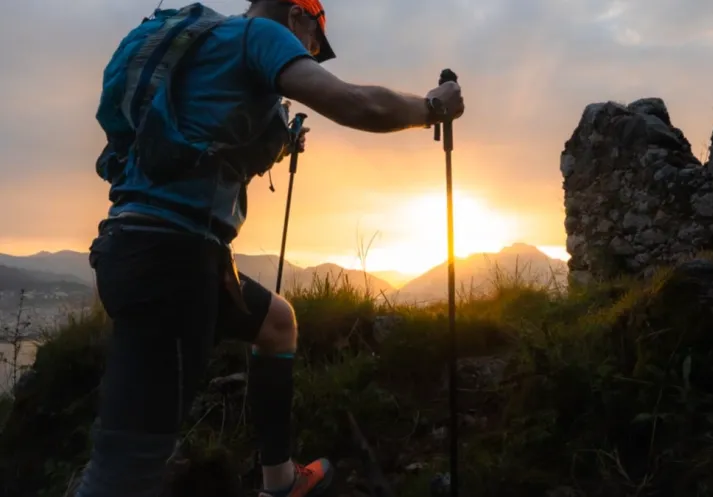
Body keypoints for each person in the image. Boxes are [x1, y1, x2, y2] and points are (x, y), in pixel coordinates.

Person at [75, 0, 464, 496]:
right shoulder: (259, 35)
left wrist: (276, 143)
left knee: (277, 323)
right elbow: (356, 104)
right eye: (315, 43)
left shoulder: (207, 45)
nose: (310, 53)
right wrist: (433, 107)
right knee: (127, 465)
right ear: (299, 14)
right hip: (172, 263)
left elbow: (202, 142)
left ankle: (280, 481)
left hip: (145, 247)